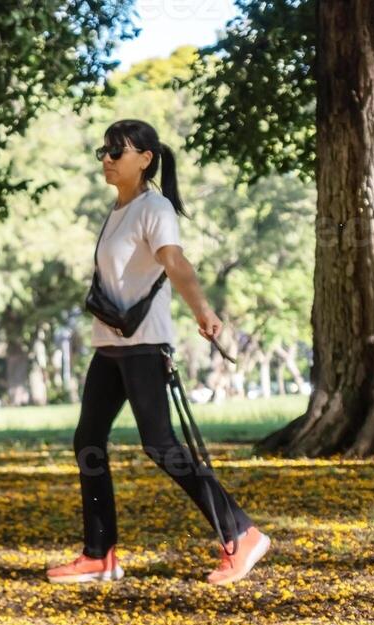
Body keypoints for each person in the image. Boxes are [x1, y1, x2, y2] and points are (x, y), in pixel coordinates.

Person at [47, 120, 270, 587]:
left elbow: (175, 262)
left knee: (162, 446)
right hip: (109, 346)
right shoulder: (117, 211)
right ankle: (99, 554)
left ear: (145, 158)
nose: (107, 159)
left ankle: (241, 532)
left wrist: (203, 310)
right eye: (103, 151)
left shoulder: (155, 207)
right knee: (88, 440)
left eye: (117, 151)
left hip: (144, 346)